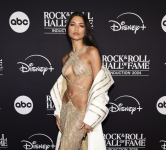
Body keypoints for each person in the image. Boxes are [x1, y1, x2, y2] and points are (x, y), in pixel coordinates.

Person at [50, 12, 114, 150]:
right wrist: (57, 112)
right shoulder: (65, 58)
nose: (76, 29)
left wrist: (92, 118)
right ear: (68, 29)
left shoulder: (92, 52)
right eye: (73, 25)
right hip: (66, 110)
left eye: (81, 25)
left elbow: (100, 86)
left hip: (81, 112)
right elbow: (64, 87)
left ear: (86, 30)